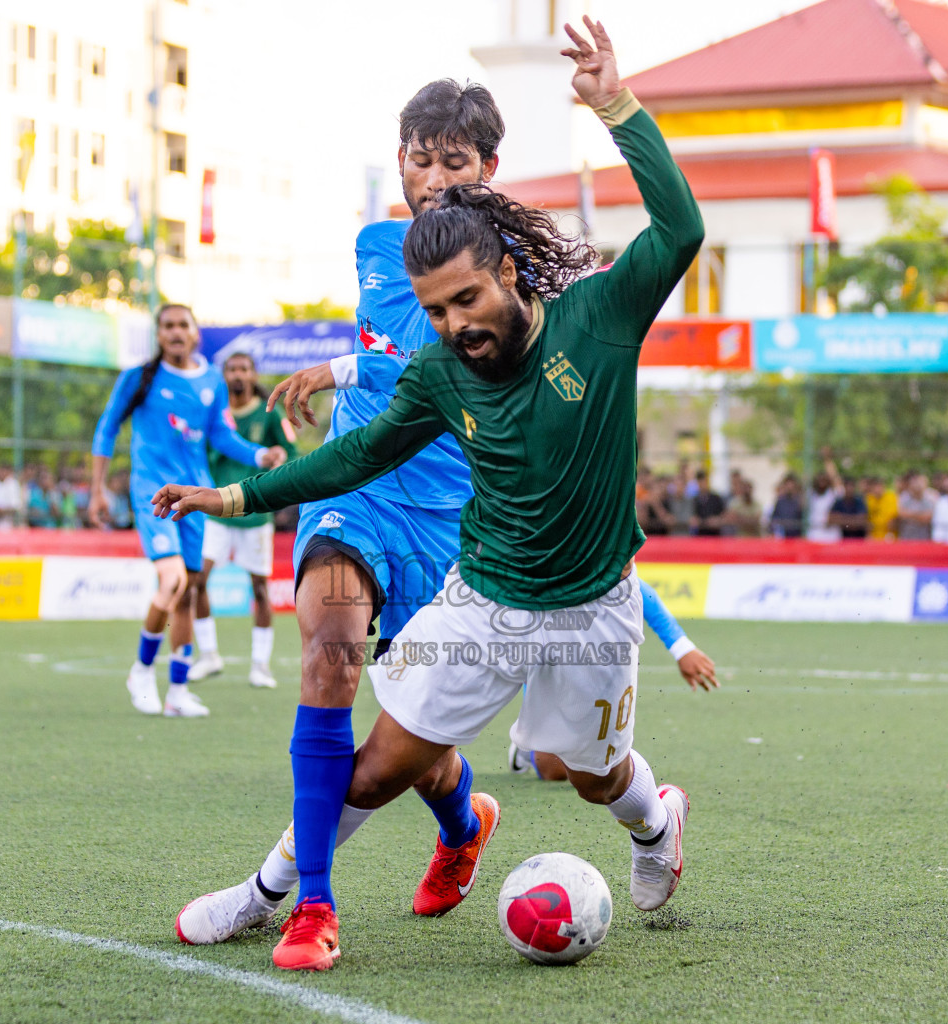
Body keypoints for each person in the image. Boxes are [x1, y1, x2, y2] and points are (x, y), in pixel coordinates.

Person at [162, 18, 703, 971]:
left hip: (589, 607)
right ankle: (272, 894)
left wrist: (615, 105)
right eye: (435, 312)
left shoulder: (599, 312)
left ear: (505, 268)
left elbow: (682, 229)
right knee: (371, 769)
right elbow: (356, 454)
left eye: (464, 303)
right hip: (483, 599)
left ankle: (656, 824)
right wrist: (240, 498)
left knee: (591, 777)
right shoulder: (438, 368)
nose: (452, 327)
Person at [168, 75, 509, 961]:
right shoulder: (374, 244)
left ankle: (464, 822)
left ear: (489, 167)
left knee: (416, 747)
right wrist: (349, 370)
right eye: (420, 159)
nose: (433, 179)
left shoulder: (513, 270)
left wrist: (343, 368)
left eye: (455, 162)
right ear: (400, 161)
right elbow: (398, 348)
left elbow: (459, 369)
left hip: (447, 517)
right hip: (354, 486)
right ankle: (310, 907)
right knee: (329, 665)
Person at [88, 303, 284, 719]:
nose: (175, 332)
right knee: (173, 579)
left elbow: (221, 436)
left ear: (195, 334)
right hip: (152, 492)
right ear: (160, 336)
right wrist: (97, 490)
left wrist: (260, 454)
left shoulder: (211, 381)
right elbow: (106, 429)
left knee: (189, 591)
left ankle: (177, 690)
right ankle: (141, 669)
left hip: (194, 497)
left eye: (183, 325)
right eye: (168, 326)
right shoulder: (139, 378)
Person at [509, 580, 716, 779]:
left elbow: (638, 588)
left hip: (599, 662)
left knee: (599, 772)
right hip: (548, 666)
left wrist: (682, 648)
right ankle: (526, 748)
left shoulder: (592, 563)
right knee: (554, 773)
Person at [189, 350, 298, 687]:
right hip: (216, 512)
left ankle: (260, 666)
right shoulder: (213, 414)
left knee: (260, 589)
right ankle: (209, 656)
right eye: (232, 369)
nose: (237, 374)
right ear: (224, 376)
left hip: (254, 513)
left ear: (253, 375)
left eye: (244, 369)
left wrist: (280, 457)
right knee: (197, 582)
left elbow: (290, 452)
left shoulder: (269, 414)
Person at [896, 471, 935, 541]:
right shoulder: (904, 497)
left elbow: (928, 517)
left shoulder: (930, 498)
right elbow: (901, 514)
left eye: (920, 482)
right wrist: (920, 515)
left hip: (924, 537)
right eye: (915, 482)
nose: (918, 485)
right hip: (906, 537)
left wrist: (910, 515)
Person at [864, 475, 898, 540]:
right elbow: (866, 519)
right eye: (875, 487)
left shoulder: (891, 497)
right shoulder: (868, 499)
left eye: (879, 486)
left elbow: (893, 518)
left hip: (889, 536)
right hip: (873, 536)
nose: (877, 489)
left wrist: (889, 533)